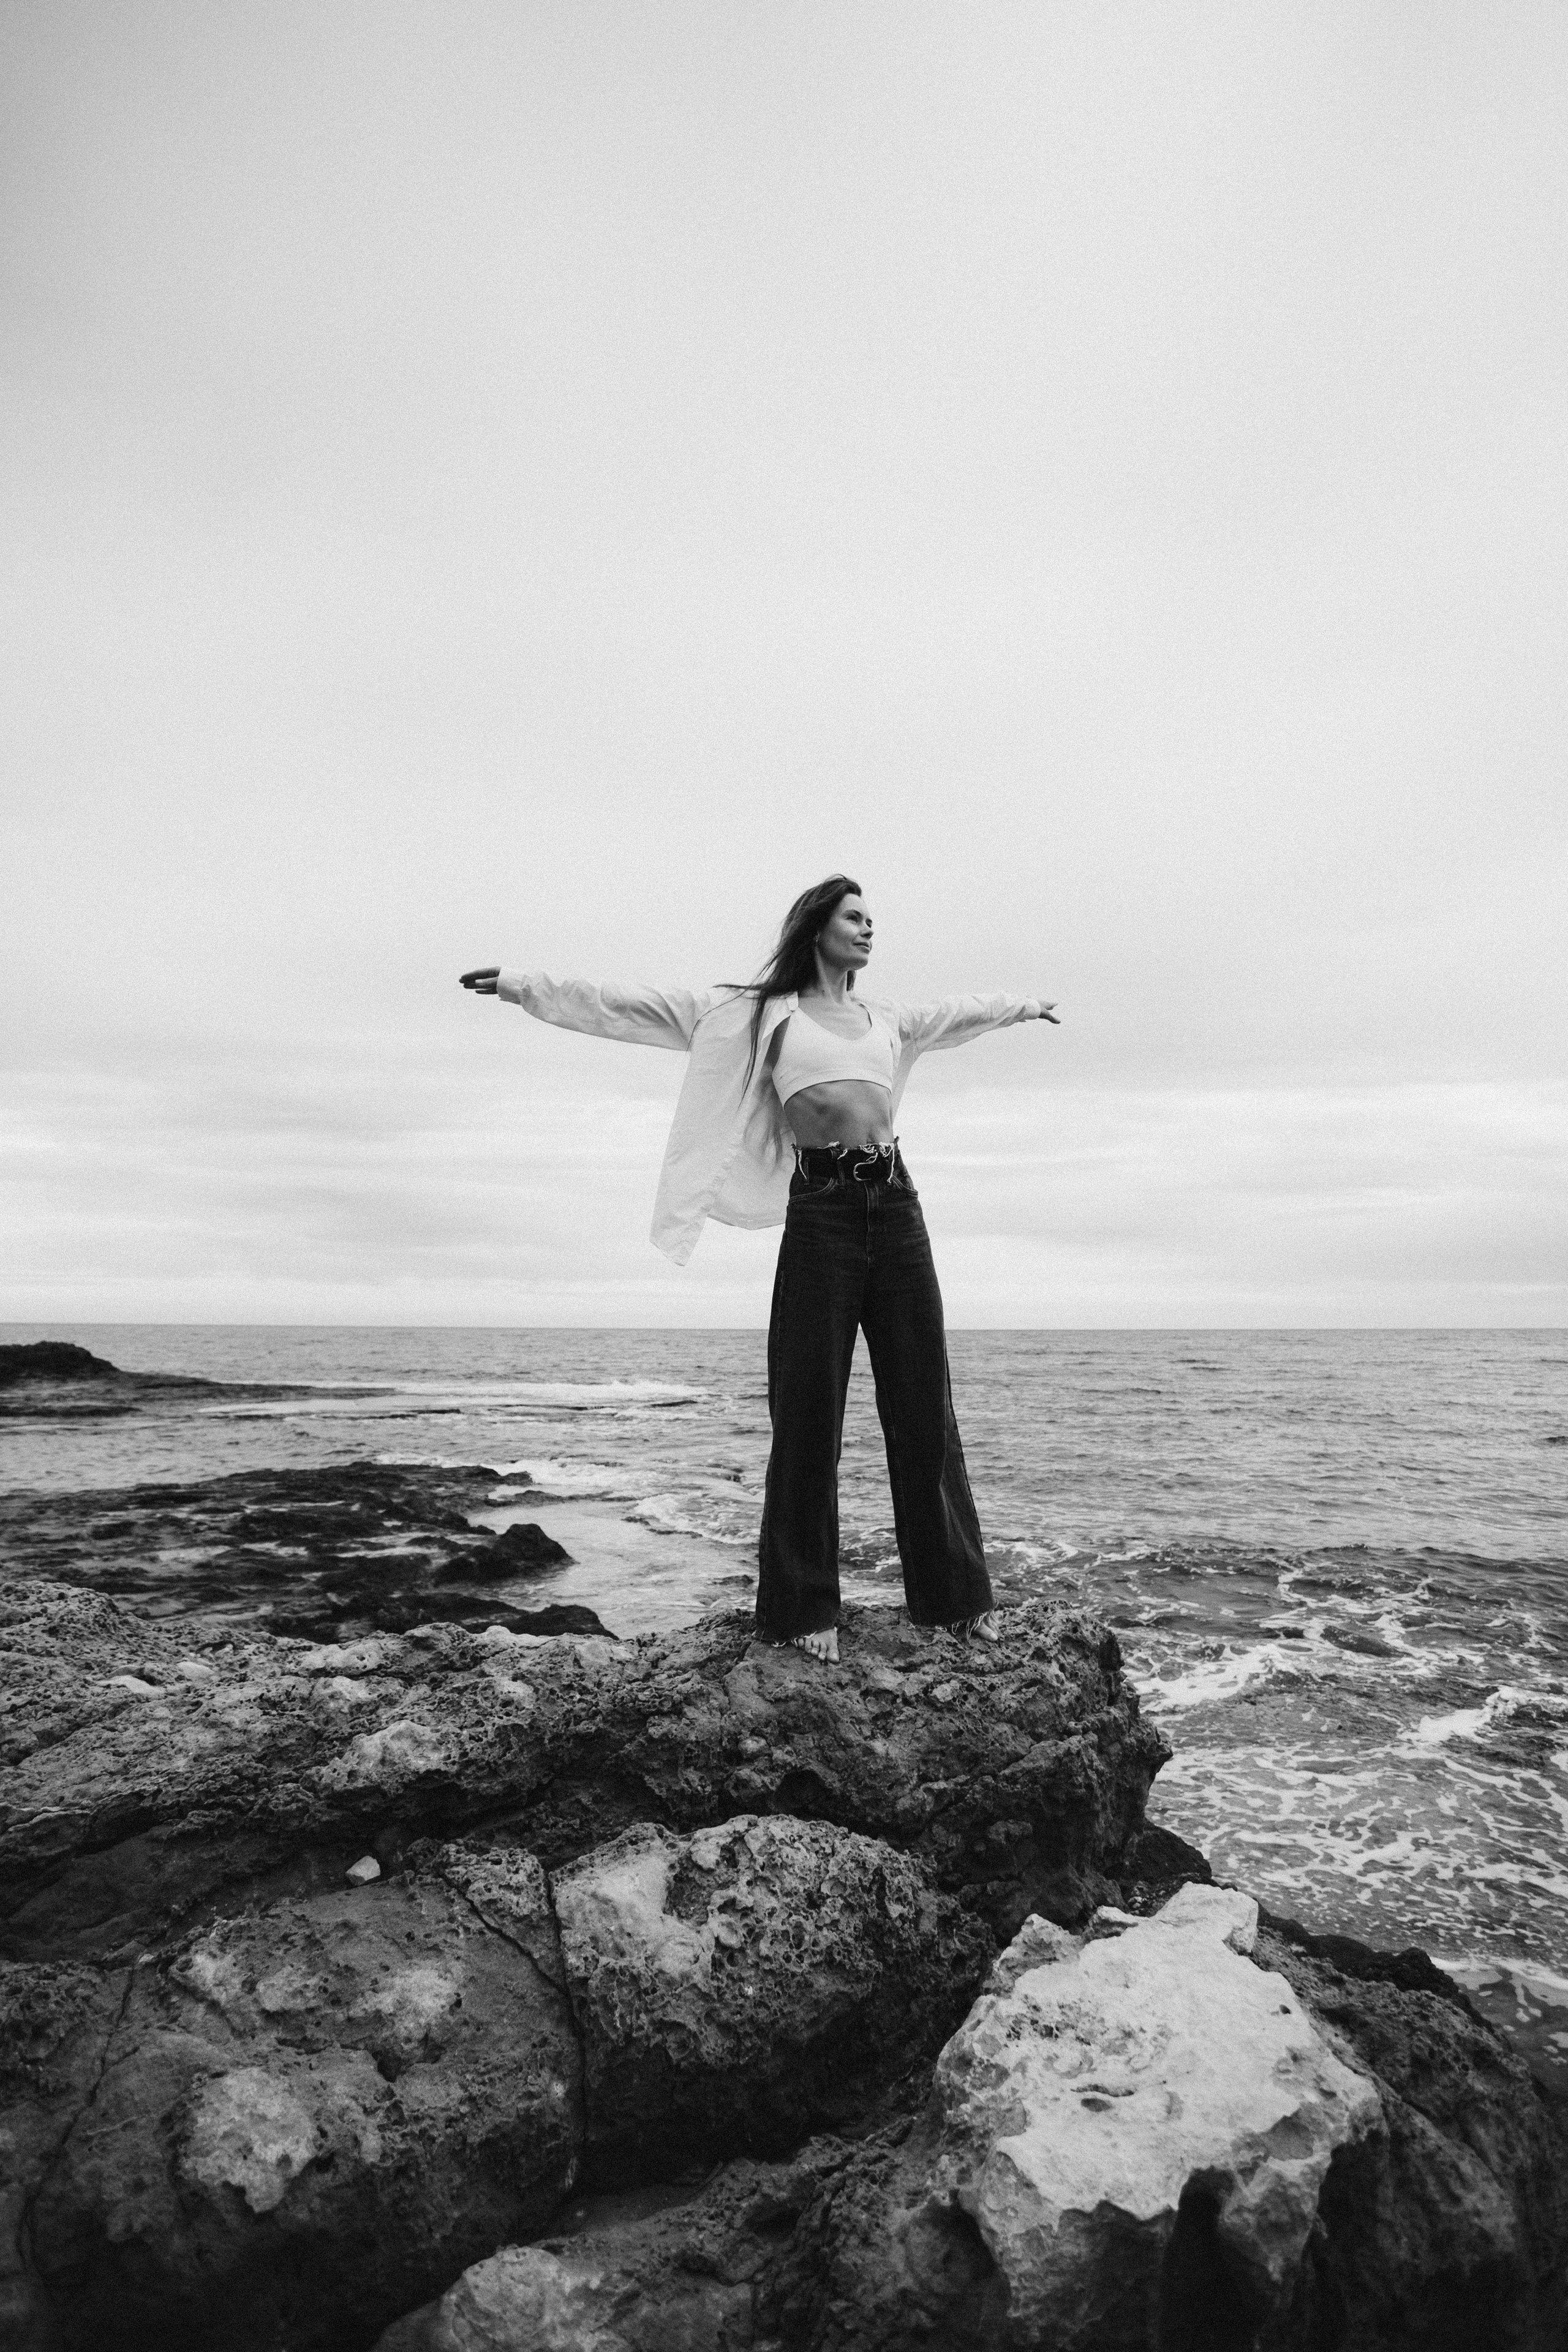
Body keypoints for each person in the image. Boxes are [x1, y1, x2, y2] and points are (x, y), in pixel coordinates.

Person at [461, 875, 1057, 1664]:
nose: (870, 930)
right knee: (808, 1412)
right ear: (817, 926)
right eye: (855, 917)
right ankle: (801, 1612)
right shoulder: (753, 1013)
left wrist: (1023, 1004)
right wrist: (524, 986)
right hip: (823, 1211)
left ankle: (953, 1602)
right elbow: (634, 1007)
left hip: (898, 1204)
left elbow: (962, 1014)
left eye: (875, 919)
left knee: (923, 1404)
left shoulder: (889, 1019)